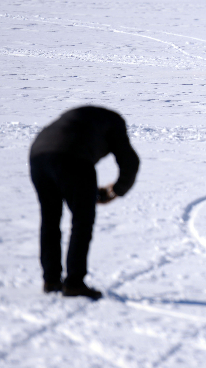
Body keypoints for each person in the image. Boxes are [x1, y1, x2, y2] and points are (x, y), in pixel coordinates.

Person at [29, 106, 140, 300]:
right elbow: (130, 161)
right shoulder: (115, 122)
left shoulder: (81, 117)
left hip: (38, 156)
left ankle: (51, 280)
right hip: (73, 157)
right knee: (82, 222)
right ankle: (74, 283)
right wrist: (116, 191)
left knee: (50, 219)